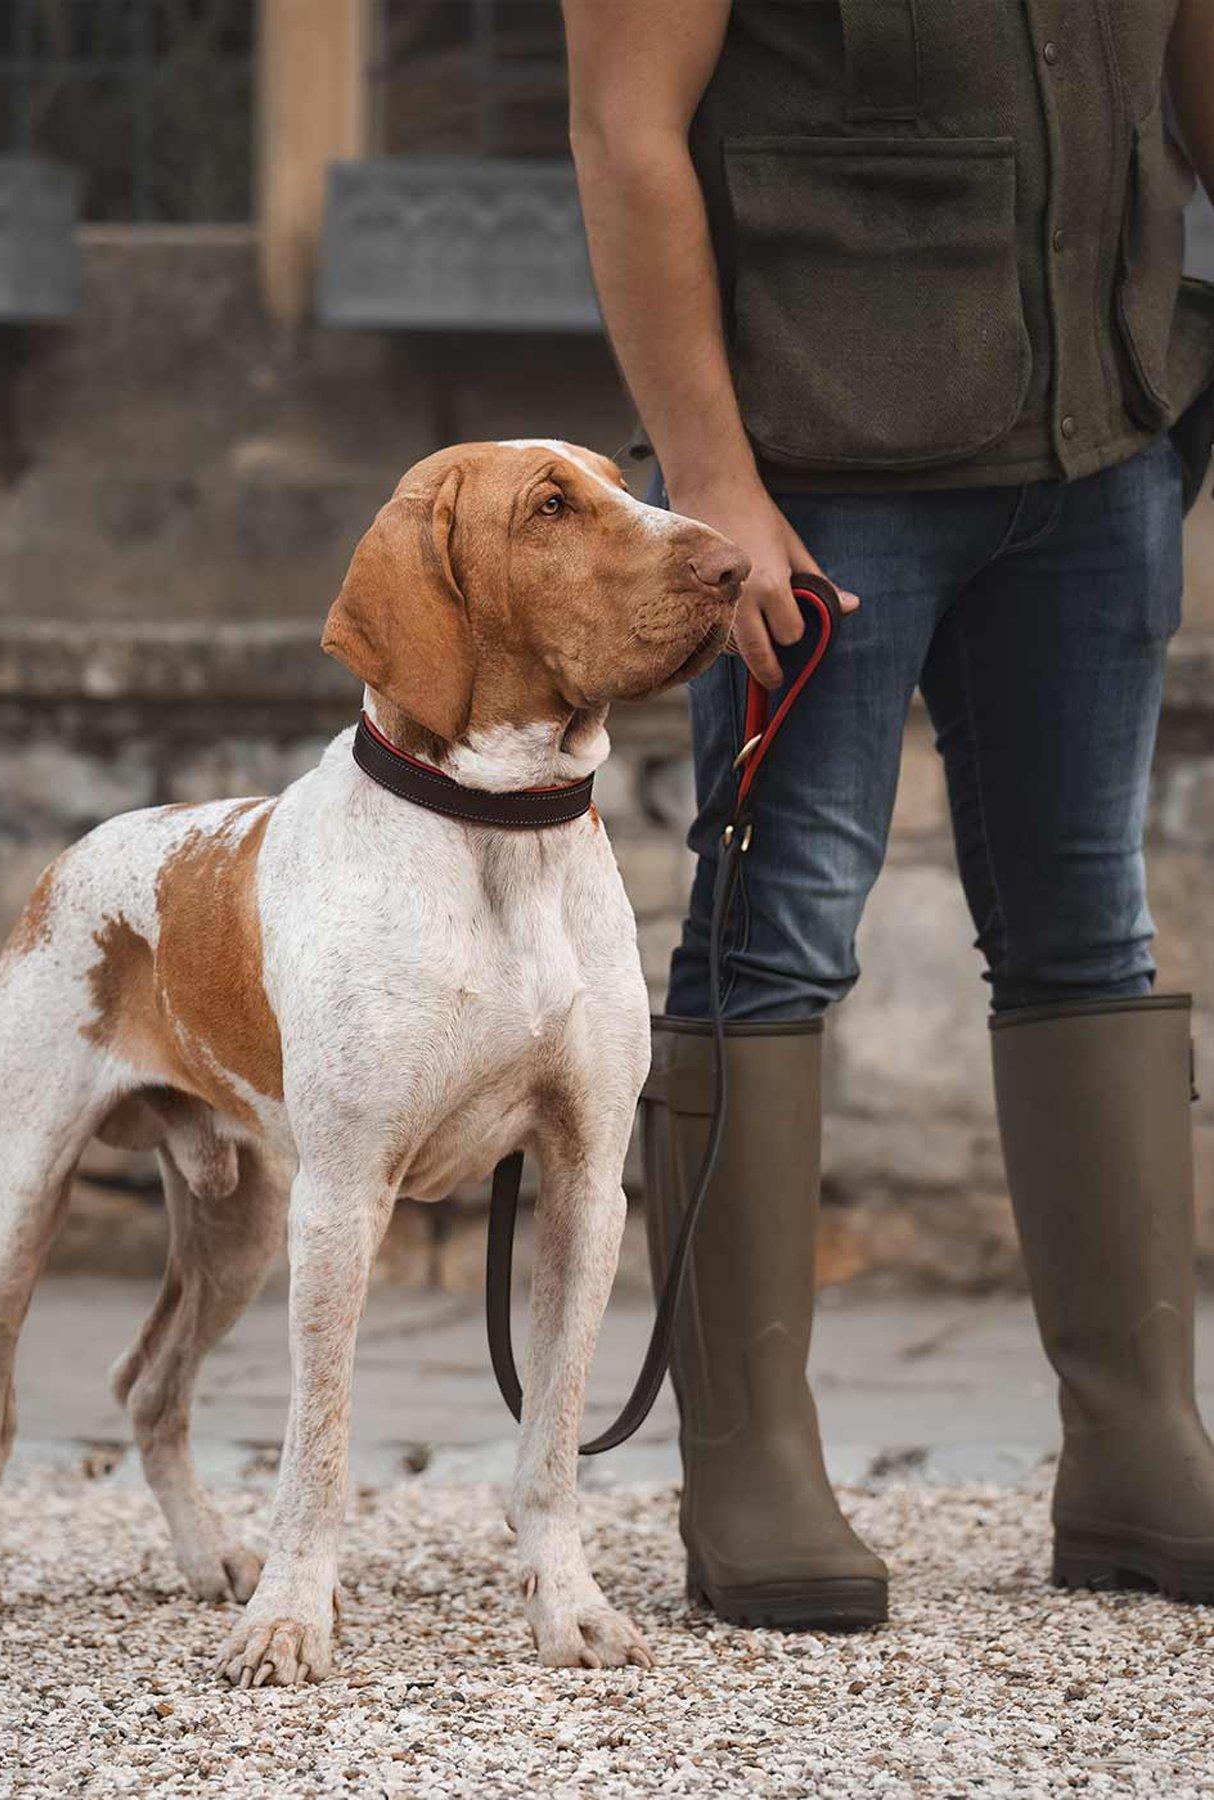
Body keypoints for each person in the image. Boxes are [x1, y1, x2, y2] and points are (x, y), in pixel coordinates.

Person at [563, 0, 1214, 1629]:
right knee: (775, 936)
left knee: (1089, 926)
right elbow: (624, 131)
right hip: (818, 474)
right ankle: (749, 1464)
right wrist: (711, 481)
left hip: (1101, 444)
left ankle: (1136, 1448)